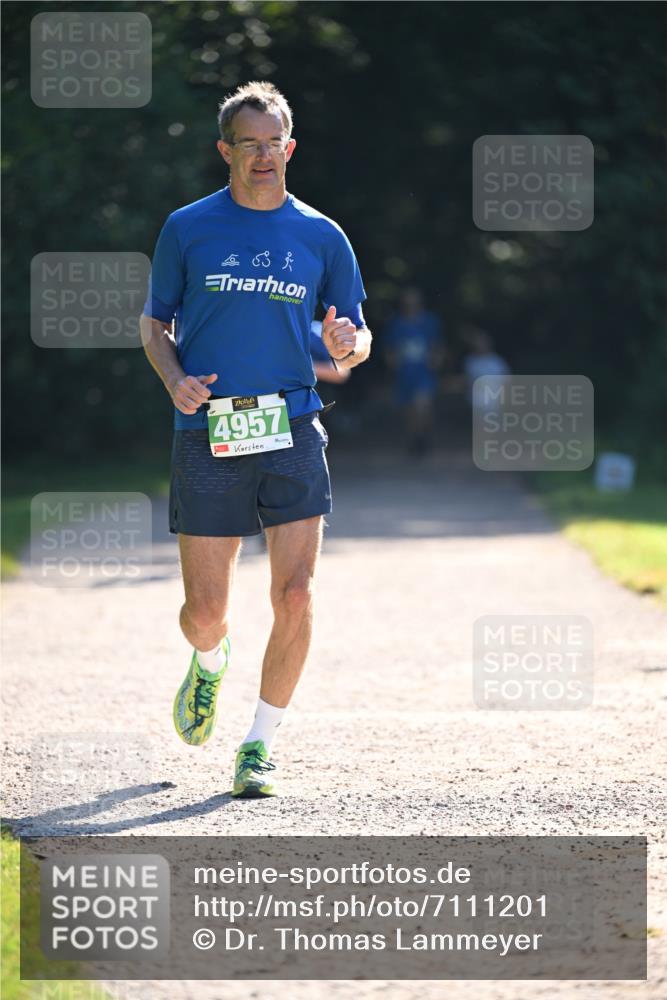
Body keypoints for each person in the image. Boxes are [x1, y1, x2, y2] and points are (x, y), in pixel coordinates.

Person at [140, 81, 371, 798]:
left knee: (295, 593)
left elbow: (357, 335)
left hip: (292, 425)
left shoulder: (321, 235)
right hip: (208, 427)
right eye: (250, 144)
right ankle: (210, 662)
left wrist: (349, 342)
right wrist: (173, 378)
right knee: (205, 614)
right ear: (226, 150)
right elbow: (155, 323)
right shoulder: (188, 227)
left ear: (290, 147)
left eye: (274, 143)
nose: (264, 156)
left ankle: (259, 745)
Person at [384, 287, 444, 455]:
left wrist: (436, 361)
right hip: (404, 373)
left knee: (423, 405)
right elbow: (389, 348)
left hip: (424, 372)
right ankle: (415, 439)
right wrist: (392, 363)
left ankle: (423, 437)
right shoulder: (396, 323)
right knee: (409, 410)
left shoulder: (429, 321)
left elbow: (438, 345)